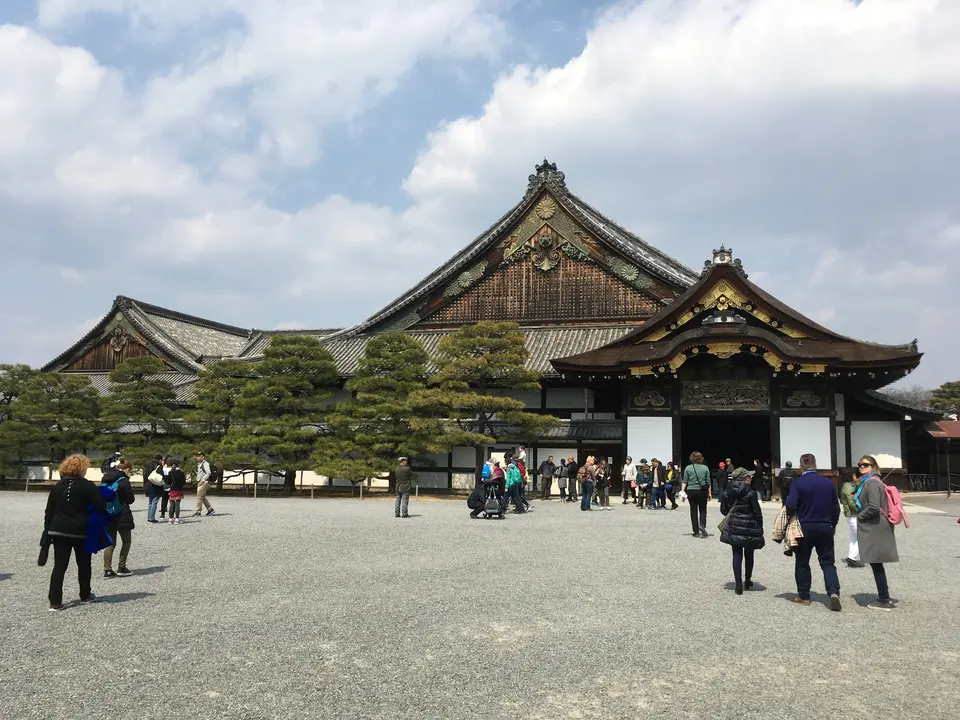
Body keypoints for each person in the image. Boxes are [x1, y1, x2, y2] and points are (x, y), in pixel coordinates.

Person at [44, 454, 106, 611]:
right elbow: (101, 506)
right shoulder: (88, 486)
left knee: (59, 566)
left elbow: (49, 511)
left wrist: (47, 531)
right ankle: (85, 595)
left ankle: (55, 602)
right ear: (82, 469)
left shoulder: (58, 487)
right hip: (80, 530)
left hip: (58, 530)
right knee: (84, 563)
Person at [785, 453, 842, 611]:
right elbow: (836, 508)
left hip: (805, 526)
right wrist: (833, 524)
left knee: (802, 561)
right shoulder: (827, 483)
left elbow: (790, 504)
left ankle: (804, 595)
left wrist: (791, 517)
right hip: (825, 526)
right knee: (828, 562)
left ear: (801, 466)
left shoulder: (798, 483)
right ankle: (833, 593)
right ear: (815, 465)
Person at [854, 455, 899, 611]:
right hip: (876, 526)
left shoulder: (872, 483)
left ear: (873, 466)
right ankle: (884, 595)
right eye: (860, 465)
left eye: (865, 465)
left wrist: (860, 516)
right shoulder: (870, 481)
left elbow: (873, 507)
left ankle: (884, 598)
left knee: (876, 561)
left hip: (875, 526)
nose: (861, 467)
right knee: (876, 562)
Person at [720, 467, 765, 595]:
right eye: (748, 476)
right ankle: (747, 580)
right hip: (750, 526)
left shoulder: (727, 491)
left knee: (736, 554)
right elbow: (757, 512)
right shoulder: (751, 493)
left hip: (734, 525)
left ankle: (738, 584)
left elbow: (723, 510)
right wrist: (760, 526)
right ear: (743, 478)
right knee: (749, 554)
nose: (750, 478)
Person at [101, 459, 136, 578]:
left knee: (110, 543)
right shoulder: (124, 481)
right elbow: (130, 499)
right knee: (126, 541)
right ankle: (121, 566)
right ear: (126, 469)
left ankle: (107, 569)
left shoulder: (105, 478)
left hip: (109, 513)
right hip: (122, 513)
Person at [682, 451, 711, 538]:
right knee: (703, 509)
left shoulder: (688, 468)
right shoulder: (705, 468)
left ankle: (696, 531)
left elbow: (685, 481)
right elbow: (708, 482)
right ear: (700, 458)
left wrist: (682, 491)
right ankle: (702, 525)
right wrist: (709, 493)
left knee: (693, 511)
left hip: (691, 491)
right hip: (702, 491)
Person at [839, 470, 863, 568]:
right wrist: (858, 509)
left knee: (854, 537)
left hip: (850, 515)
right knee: (859, 537)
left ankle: (850, 556)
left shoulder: (847, 485)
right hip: (853, 514)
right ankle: (852, 558)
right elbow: (851, 501)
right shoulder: (849, 487)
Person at [193, 452, 216, 517]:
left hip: (203, 482)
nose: (197, 457)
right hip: (200, 481)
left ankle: (198, 512)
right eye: (197, 456)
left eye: (199, 456)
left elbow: (208, 472)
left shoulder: (205, 463)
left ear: (202, 457)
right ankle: (210, 510)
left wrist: (203, 480)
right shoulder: (200, 464)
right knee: (202, 497)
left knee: (199, 497)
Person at [144, 455, 165, 524]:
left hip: (148, 485)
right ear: (159, 460)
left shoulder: (147, 465)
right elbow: (161, 477)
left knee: (150, 502)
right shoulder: (159, 466)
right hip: (156, 486)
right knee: (154, 502)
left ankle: (149, 517)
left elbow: (145, 476)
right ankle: (151, 518)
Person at [167, 459, 187, 525]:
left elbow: (168, 482)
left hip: (172, 489)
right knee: (177, 504)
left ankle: (170, 519)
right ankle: (177, 519)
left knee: (171, 504)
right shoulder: (181, 473)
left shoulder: (171, 472)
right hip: (179, 489)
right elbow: (184, 482)